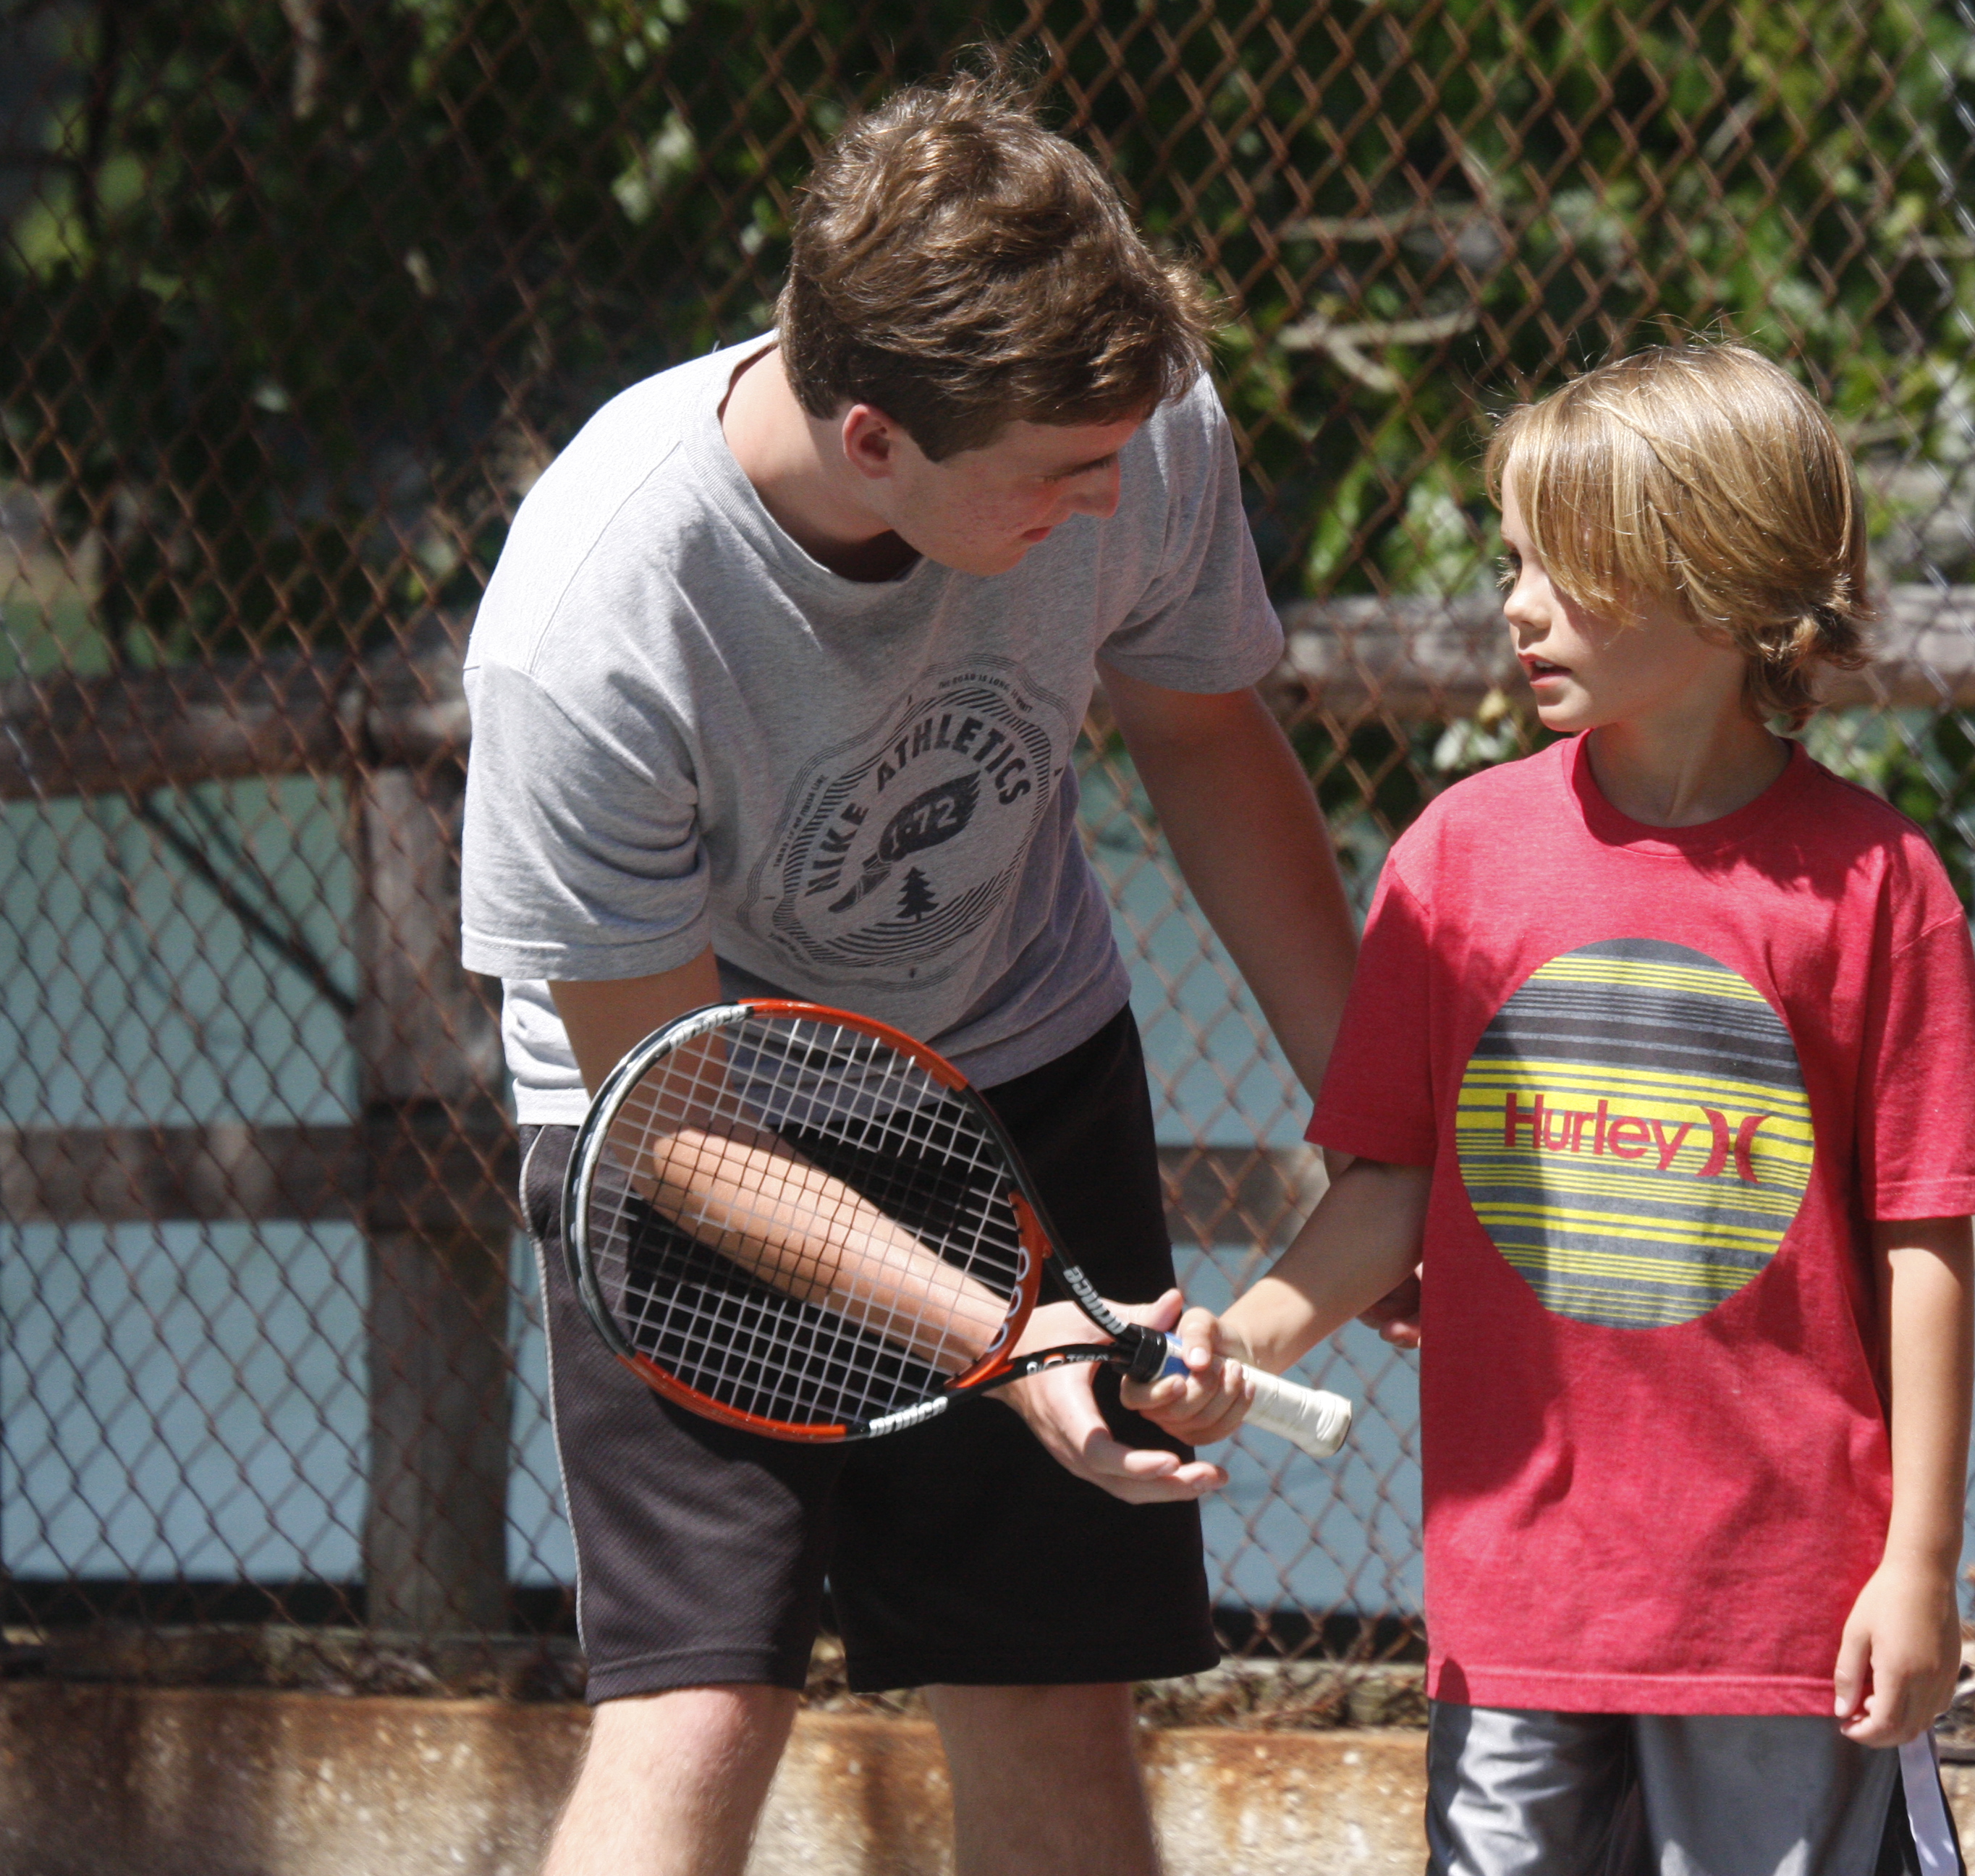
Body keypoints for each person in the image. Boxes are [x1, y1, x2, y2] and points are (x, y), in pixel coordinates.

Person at [456, 70, 1358, 1876]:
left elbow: (1200, 736)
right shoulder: (591, 624)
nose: (1107, 499)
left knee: (1052, 1693)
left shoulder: (1136, 424)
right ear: (876, 437)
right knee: (697, 1715)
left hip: (1013, 1057)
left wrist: (1380, 1113)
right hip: (693, 1124)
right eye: (1055, 481)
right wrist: (1008, 1337)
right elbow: (676, 1123)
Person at [1131, 343, 1975, 1875]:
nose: (1519, 606)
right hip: (1520, 1607)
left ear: (1721, 574)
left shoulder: (1882, 889)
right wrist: (1244, 1340)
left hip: (1786, 1615)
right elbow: (1392, 1191)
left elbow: (1924, 1251)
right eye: (1513, 561)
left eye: (1571, 570)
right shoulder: (1456, 860)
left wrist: (1920, 1566)